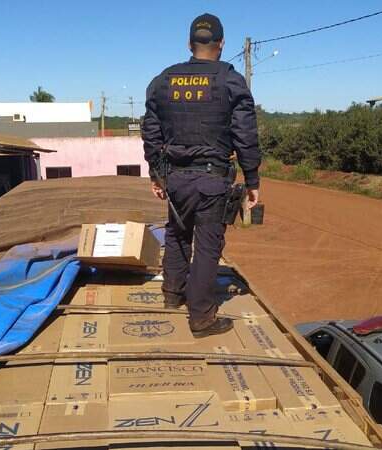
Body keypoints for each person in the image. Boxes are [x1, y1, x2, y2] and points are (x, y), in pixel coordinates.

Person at [142, 13, 261, 337]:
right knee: (208, 245)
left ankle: (172, 295)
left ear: (189, 44)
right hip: (212, 179)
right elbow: (245, 135)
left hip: (176, 179)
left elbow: (150, 132)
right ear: (221, 44)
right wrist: (252, 180)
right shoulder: (230, 80)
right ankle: (202, 318)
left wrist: (157, 174)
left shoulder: (164, 80)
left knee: (178, 235)